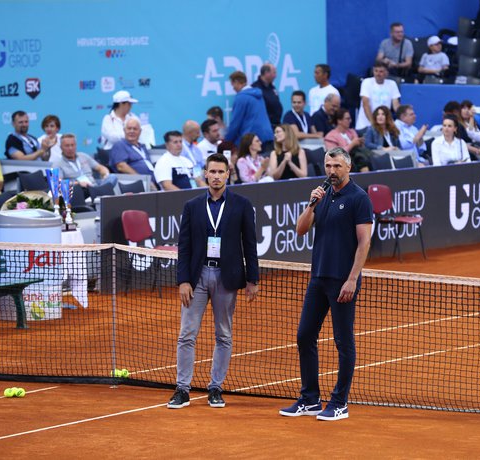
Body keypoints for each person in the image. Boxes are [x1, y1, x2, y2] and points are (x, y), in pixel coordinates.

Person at [279, 147, 373, 421]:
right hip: (318, 278)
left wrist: (352, 279)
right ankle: (309, 399)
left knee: (343, 342)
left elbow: (364, 242)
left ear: (348, 167)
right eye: (328, 166)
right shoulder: (322, 195)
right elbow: (300, 229)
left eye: (336, 166)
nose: (331, 171)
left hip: (343, 281)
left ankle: (340, 402)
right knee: (304, 336)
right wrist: (312, 205)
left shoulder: (359, 199)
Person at [167, 152, 259, 410]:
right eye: (212, 172)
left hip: (226, 277)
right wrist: (183, 280)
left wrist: (253, 278)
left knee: (224, 335)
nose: (217, 176)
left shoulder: (242, 204)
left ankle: (215, 388)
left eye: (221, 172)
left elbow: (249, 244)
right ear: (205, 173)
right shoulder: (192, 206)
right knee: (186, 334)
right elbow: (183, 246)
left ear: (228, 174)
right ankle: (182, 389)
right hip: (196, 278)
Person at [224, 71, 274, 149]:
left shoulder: (241, 97)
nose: (233, 88)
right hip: (268, 136)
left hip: (252, 140)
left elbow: (235, 123)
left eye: (232, 85)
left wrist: (226, 142)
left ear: (236, 82)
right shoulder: (259, 96)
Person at [109, 118, 157, 188]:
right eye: (129, 128)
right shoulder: (120, 145)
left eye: (135, 129)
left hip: (153, 182)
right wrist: (143, 180)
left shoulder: (142, 146)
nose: (132, 131)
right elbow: (121, 166)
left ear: (140, 131)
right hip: (136, 184)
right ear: (124, 130)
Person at [355, 61, 401, 130]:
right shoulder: (366, 82)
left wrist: (403, 114)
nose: (378, 74)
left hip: (384, 126)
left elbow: (396, 105)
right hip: (366, 126)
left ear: (387, 73)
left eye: (381, 71)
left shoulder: (392, 84)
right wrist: (374, 124)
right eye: (376, 71)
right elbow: (365, 104)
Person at [324, 108, 371, 172]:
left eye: (350, 118)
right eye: (347, 119)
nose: (350, 121)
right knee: (359, 160)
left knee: (363, 158)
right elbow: (335, 156)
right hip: (342, 164)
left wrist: (359, 143)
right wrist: (352, 144)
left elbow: (358, 148)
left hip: (358, 159)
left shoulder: (352, 132)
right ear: (339, 121)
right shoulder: (330, 137)